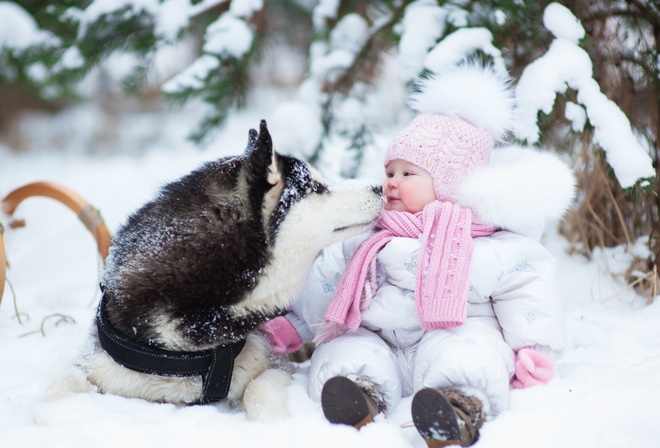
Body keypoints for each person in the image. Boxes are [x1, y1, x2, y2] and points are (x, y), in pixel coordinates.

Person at [261, 62, 575, 447]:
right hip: (380, 338)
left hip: (453, 332)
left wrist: (533, 347)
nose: (391, 182)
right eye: (389, 171)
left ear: (449, 186)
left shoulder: (488, 244)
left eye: (408, 174)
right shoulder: (368, 236)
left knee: (472, 353)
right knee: (344, 347)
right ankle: (357, 396)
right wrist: (294, 322)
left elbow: (528, 287)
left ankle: (455, 406)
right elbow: (328, 279)